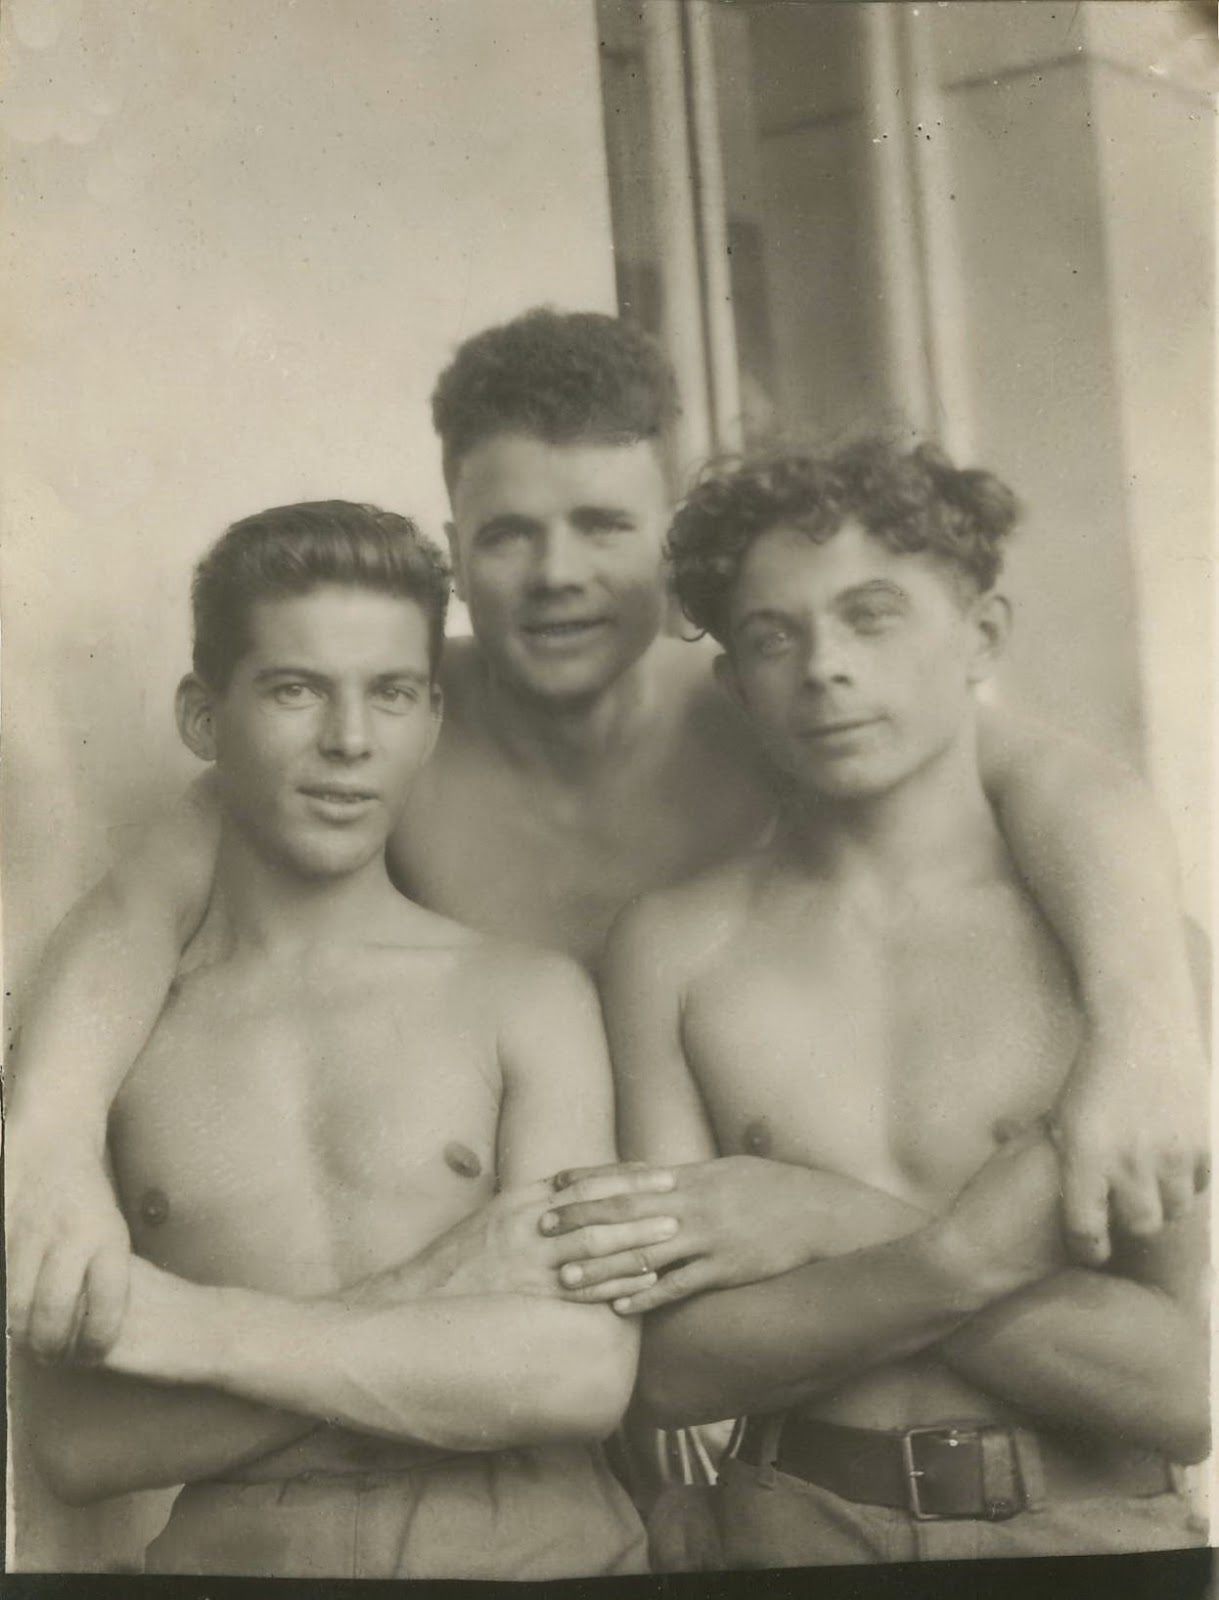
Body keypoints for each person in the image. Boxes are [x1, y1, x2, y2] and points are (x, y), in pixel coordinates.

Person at [6, 313, 1207, 1407]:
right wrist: (49, 1142)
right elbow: (137, 909)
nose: (557, 574)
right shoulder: (399, 726)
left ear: (669, 538)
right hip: (506, 1331)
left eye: (603, 525)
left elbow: (1070, 787)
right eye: (508, 534)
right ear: (456, 547)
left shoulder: (771, 701)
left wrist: (1146, 1032)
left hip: (767, 1308)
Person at [549, 441, 1209, 1566]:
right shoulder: (675, 950)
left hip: (1096, 1533)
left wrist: (826, 1218)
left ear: (982, 636)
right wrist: (967, 1255)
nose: (825, 668)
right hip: (792, 1529)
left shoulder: (1124, 953)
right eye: (773, 636)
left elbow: (1176, 1390)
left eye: (871, 617)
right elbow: (671, 1372)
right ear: (735, 684)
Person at [19, 502, 660, 1579]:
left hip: (533, 1549)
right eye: (295, 689)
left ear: (431, 718)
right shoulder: (115, 1038)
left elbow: (577, 1375)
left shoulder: (524, 996)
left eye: (391, 692)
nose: (350, 740)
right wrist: (438, 1286)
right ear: (203, 717)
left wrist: (191, 1335)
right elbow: (81, 1446)